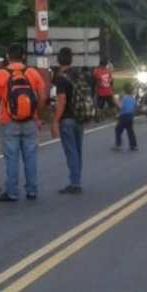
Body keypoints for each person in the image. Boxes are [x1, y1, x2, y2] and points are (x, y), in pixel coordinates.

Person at [0, 43, 47, 202]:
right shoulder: (32, 73)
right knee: (30, 157)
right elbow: (42, 97)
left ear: (8, 56)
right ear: (23, 56)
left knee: (11, 158)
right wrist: (37, 116)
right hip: (30, 121)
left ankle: (12, 192)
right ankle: (32, 190)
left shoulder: (0, 74)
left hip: (9, 122)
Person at [51, 48, 84, 194]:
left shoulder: (61, 79)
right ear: (71, 60)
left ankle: (75, 183)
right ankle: (77, 180)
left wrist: (55, 121)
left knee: (71, 152)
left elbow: (61, 101)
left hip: (67, 119)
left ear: (58, 61)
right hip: (80, 117)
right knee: (77, 151)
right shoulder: (79, 74)